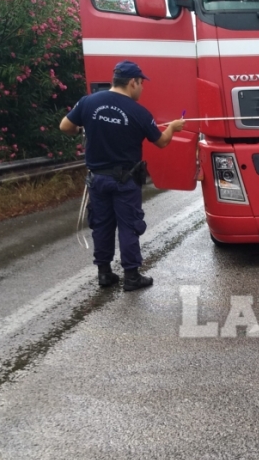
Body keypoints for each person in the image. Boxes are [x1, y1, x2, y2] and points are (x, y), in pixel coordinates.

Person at [59, 60, 185, 291]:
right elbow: (162, 142)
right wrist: (173, 127)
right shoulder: (139, 112)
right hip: (125, 181)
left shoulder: (88, 102)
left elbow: (64, 126)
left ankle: (104, 274)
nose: (142, 88)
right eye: (141, 83)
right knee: (129, 226)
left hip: (97, 179)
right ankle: (131, 277)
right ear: (131, 82)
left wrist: (81, 129)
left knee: (102, 226)